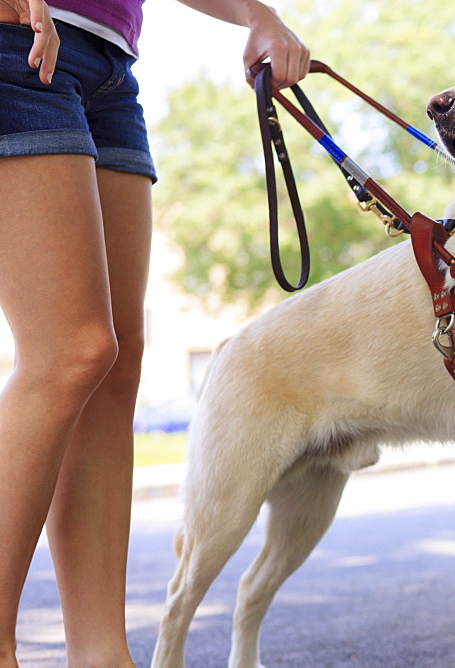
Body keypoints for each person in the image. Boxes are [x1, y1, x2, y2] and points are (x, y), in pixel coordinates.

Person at [0, 1, 309, 665]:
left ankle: (102, 654)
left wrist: (257, 15)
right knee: (70, 353)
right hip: (15, 40)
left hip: (109, 64)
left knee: (114, 368)